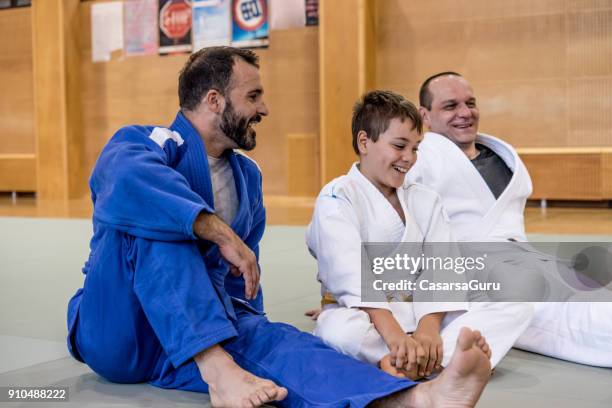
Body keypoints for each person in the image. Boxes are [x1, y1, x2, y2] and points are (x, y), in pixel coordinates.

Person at [66, 47, 492, 408]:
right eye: (253, 96)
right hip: (121, 330)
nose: (264, 108)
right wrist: (215, 229)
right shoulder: (145, 144)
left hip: (187, 339)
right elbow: (121, 180)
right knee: (161, 223)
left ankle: (413, 399)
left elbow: (239, 284)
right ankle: (218, 370)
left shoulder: (246, 178)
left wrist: (255, 330)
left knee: (284, 344)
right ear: (214, 100)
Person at [306, 90, 532, 381]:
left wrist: (428, 328)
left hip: (422, 310)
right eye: (400, 146)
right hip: (370, 316)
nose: (409, 158)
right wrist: (395, 335)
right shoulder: (337, 197)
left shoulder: (425, 199)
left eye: (415, 148)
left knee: (515, 299)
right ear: (365, 142)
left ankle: (409, 362)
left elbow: (442, 266)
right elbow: (348, 273)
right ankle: (444, 360)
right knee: (339, 330)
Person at [406, 72, 612, 367]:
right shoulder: (419, 159)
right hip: (471, 274)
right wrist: (352, 297)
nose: (465, 113)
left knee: (591, 286)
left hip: (524, 260)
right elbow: (390, 226)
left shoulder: (503, 154)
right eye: (450, 106)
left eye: (470, 103)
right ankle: (433, 364)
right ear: (425, 115)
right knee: (573, 314)